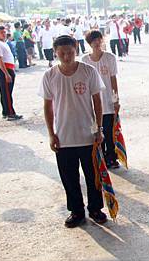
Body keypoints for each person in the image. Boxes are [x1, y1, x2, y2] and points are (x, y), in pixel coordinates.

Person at [38, 35, 108, 228]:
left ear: (76, 49)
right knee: (69, 178)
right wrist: (51, 134)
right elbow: (48, 107)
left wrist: (99, 129)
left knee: (93, 175)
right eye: (62, 53)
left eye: (69, 52)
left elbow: (97, 102)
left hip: (88, 135)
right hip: (63, 137)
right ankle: (76, 211)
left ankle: (95, 208)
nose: (66, 57)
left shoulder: (88, 71)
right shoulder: (50, 75)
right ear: (55, 53)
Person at [82, 30, 121, 170]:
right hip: (92, 105)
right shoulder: (85, 61)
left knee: (109, 132)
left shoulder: (110, 58)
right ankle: (101, 158)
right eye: (93, 41)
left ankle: (112, 157)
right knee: (97, 132)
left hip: (108, 104)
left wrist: (115, 99)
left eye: (99, 40)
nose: (97, 43)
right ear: (89, 44)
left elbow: (113, 79)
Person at [0, 26, 23, 121]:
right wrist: (6, 74)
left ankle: (6, 111)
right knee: (7, 93)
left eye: (4, 32)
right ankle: (10, 113)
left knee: (6, 92)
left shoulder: (3, 42)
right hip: (5, 69)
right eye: (1, 32)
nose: (4, 34)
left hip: (8, 68)